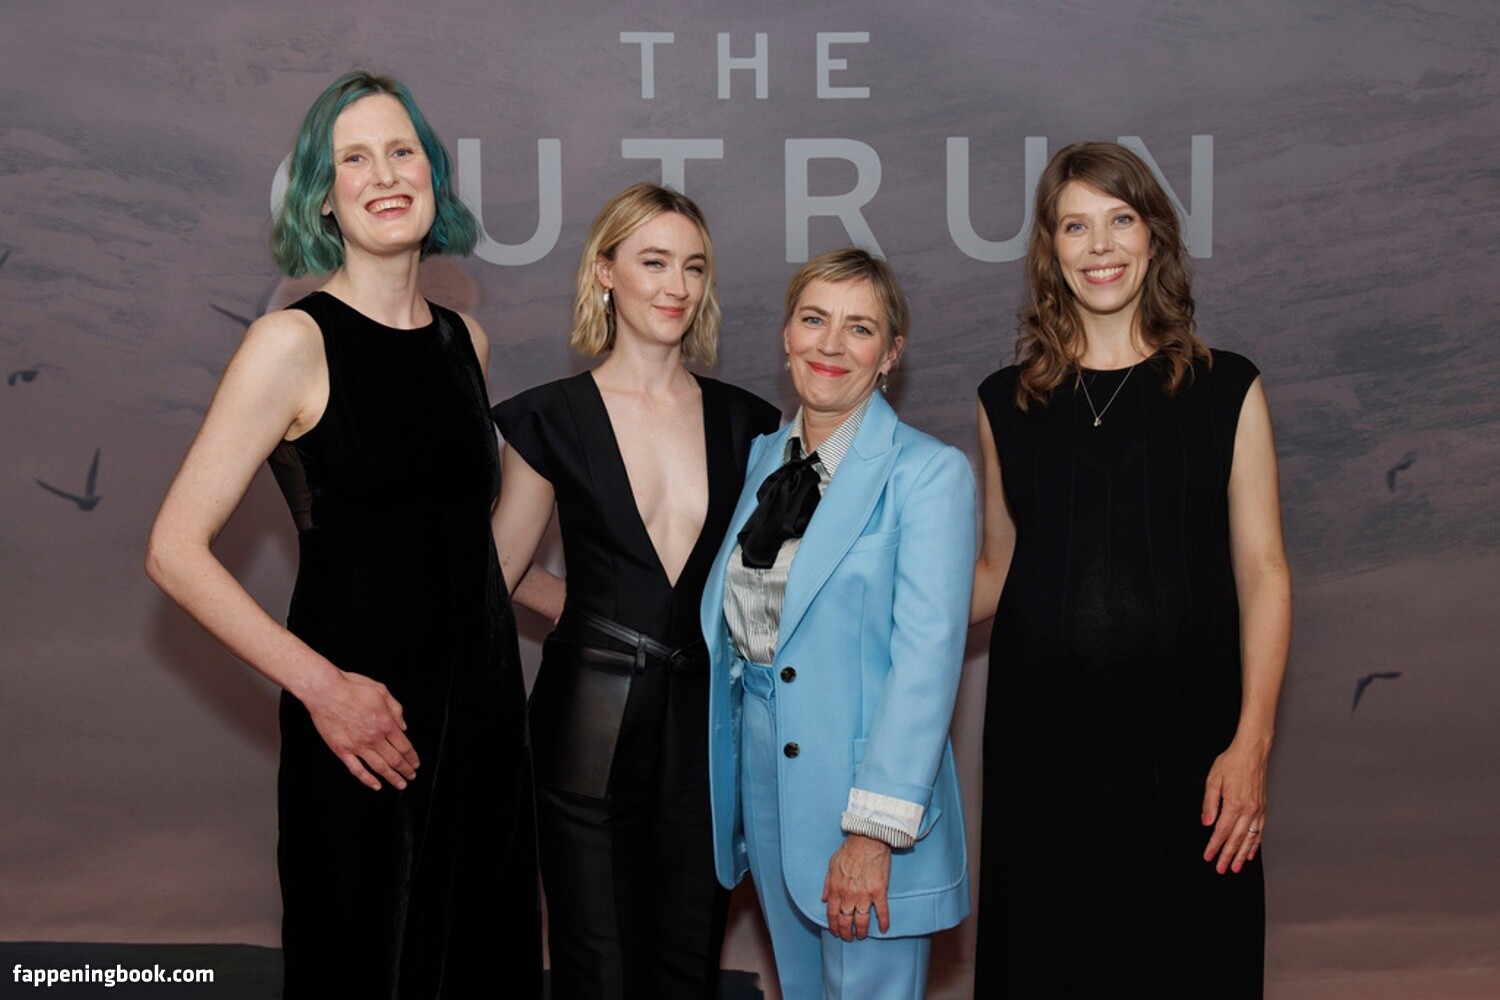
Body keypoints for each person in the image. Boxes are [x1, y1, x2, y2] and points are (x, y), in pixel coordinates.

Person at [145, 70, 540, 998]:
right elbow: (173, 549)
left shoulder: (466, 342)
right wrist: (324, 691)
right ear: (324, 197)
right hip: (362, 736)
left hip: (483, 731)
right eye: (354, 159)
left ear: (433, 174)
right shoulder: (290, 344)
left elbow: (463, 547)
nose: (385, 174)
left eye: (402, 151)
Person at [971, 141, 1292, 996]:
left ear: (1154, 236)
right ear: (1051, 249)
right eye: (1076, 226)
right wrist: (862, 609)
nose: (1101, 246)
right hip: (1042, 755)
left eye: (1120, 219)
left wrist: (1251, 745)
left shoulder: (1229, 389)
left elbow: (1264, 572)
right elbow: (997, 567)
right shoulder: (1004, 401)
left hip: (1192, 754)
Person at [490, 183, 779, 1000]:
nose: (676, 286)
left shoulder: (750, 424)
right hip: (585, 718)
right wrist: (592, 616)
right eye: (654, 262)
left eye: (694, 267)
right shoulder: (548, 418)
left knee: (689, 961)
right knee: (599, 968)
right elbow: (499, 570)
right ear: (605, 271)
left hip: (706, 725)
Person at [701, 249, 975, 1000]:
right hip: (767, 788)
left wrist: (872, 831)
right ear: (787, 334)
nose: (830, 345)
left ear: (890, 355)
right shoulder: (761, 460)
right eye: (814, 319)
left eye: (860, 329)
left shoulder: (928, 473)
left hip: (866, 800)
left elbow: (926, 665)